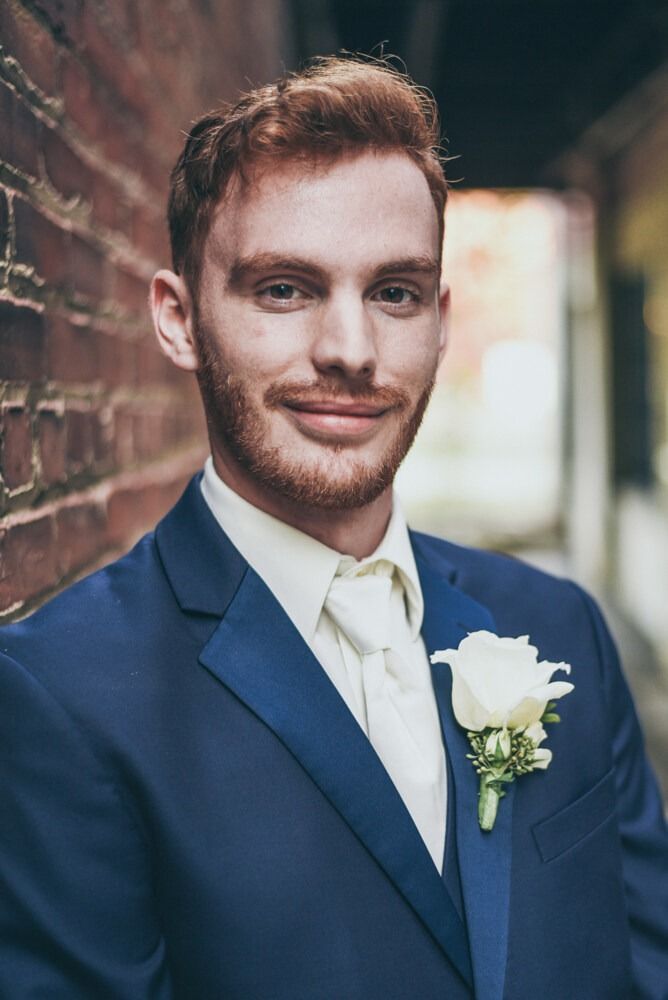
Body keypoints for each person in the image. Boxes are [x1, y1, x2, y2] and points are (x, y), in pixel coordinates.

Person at [0, 56, 666, 1000]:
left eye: (393, 293)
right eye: (284, 288)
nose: (349, 352)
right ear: (181, 320)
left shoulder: (563, 633)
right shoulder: (58, 699)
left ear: (439, 321)